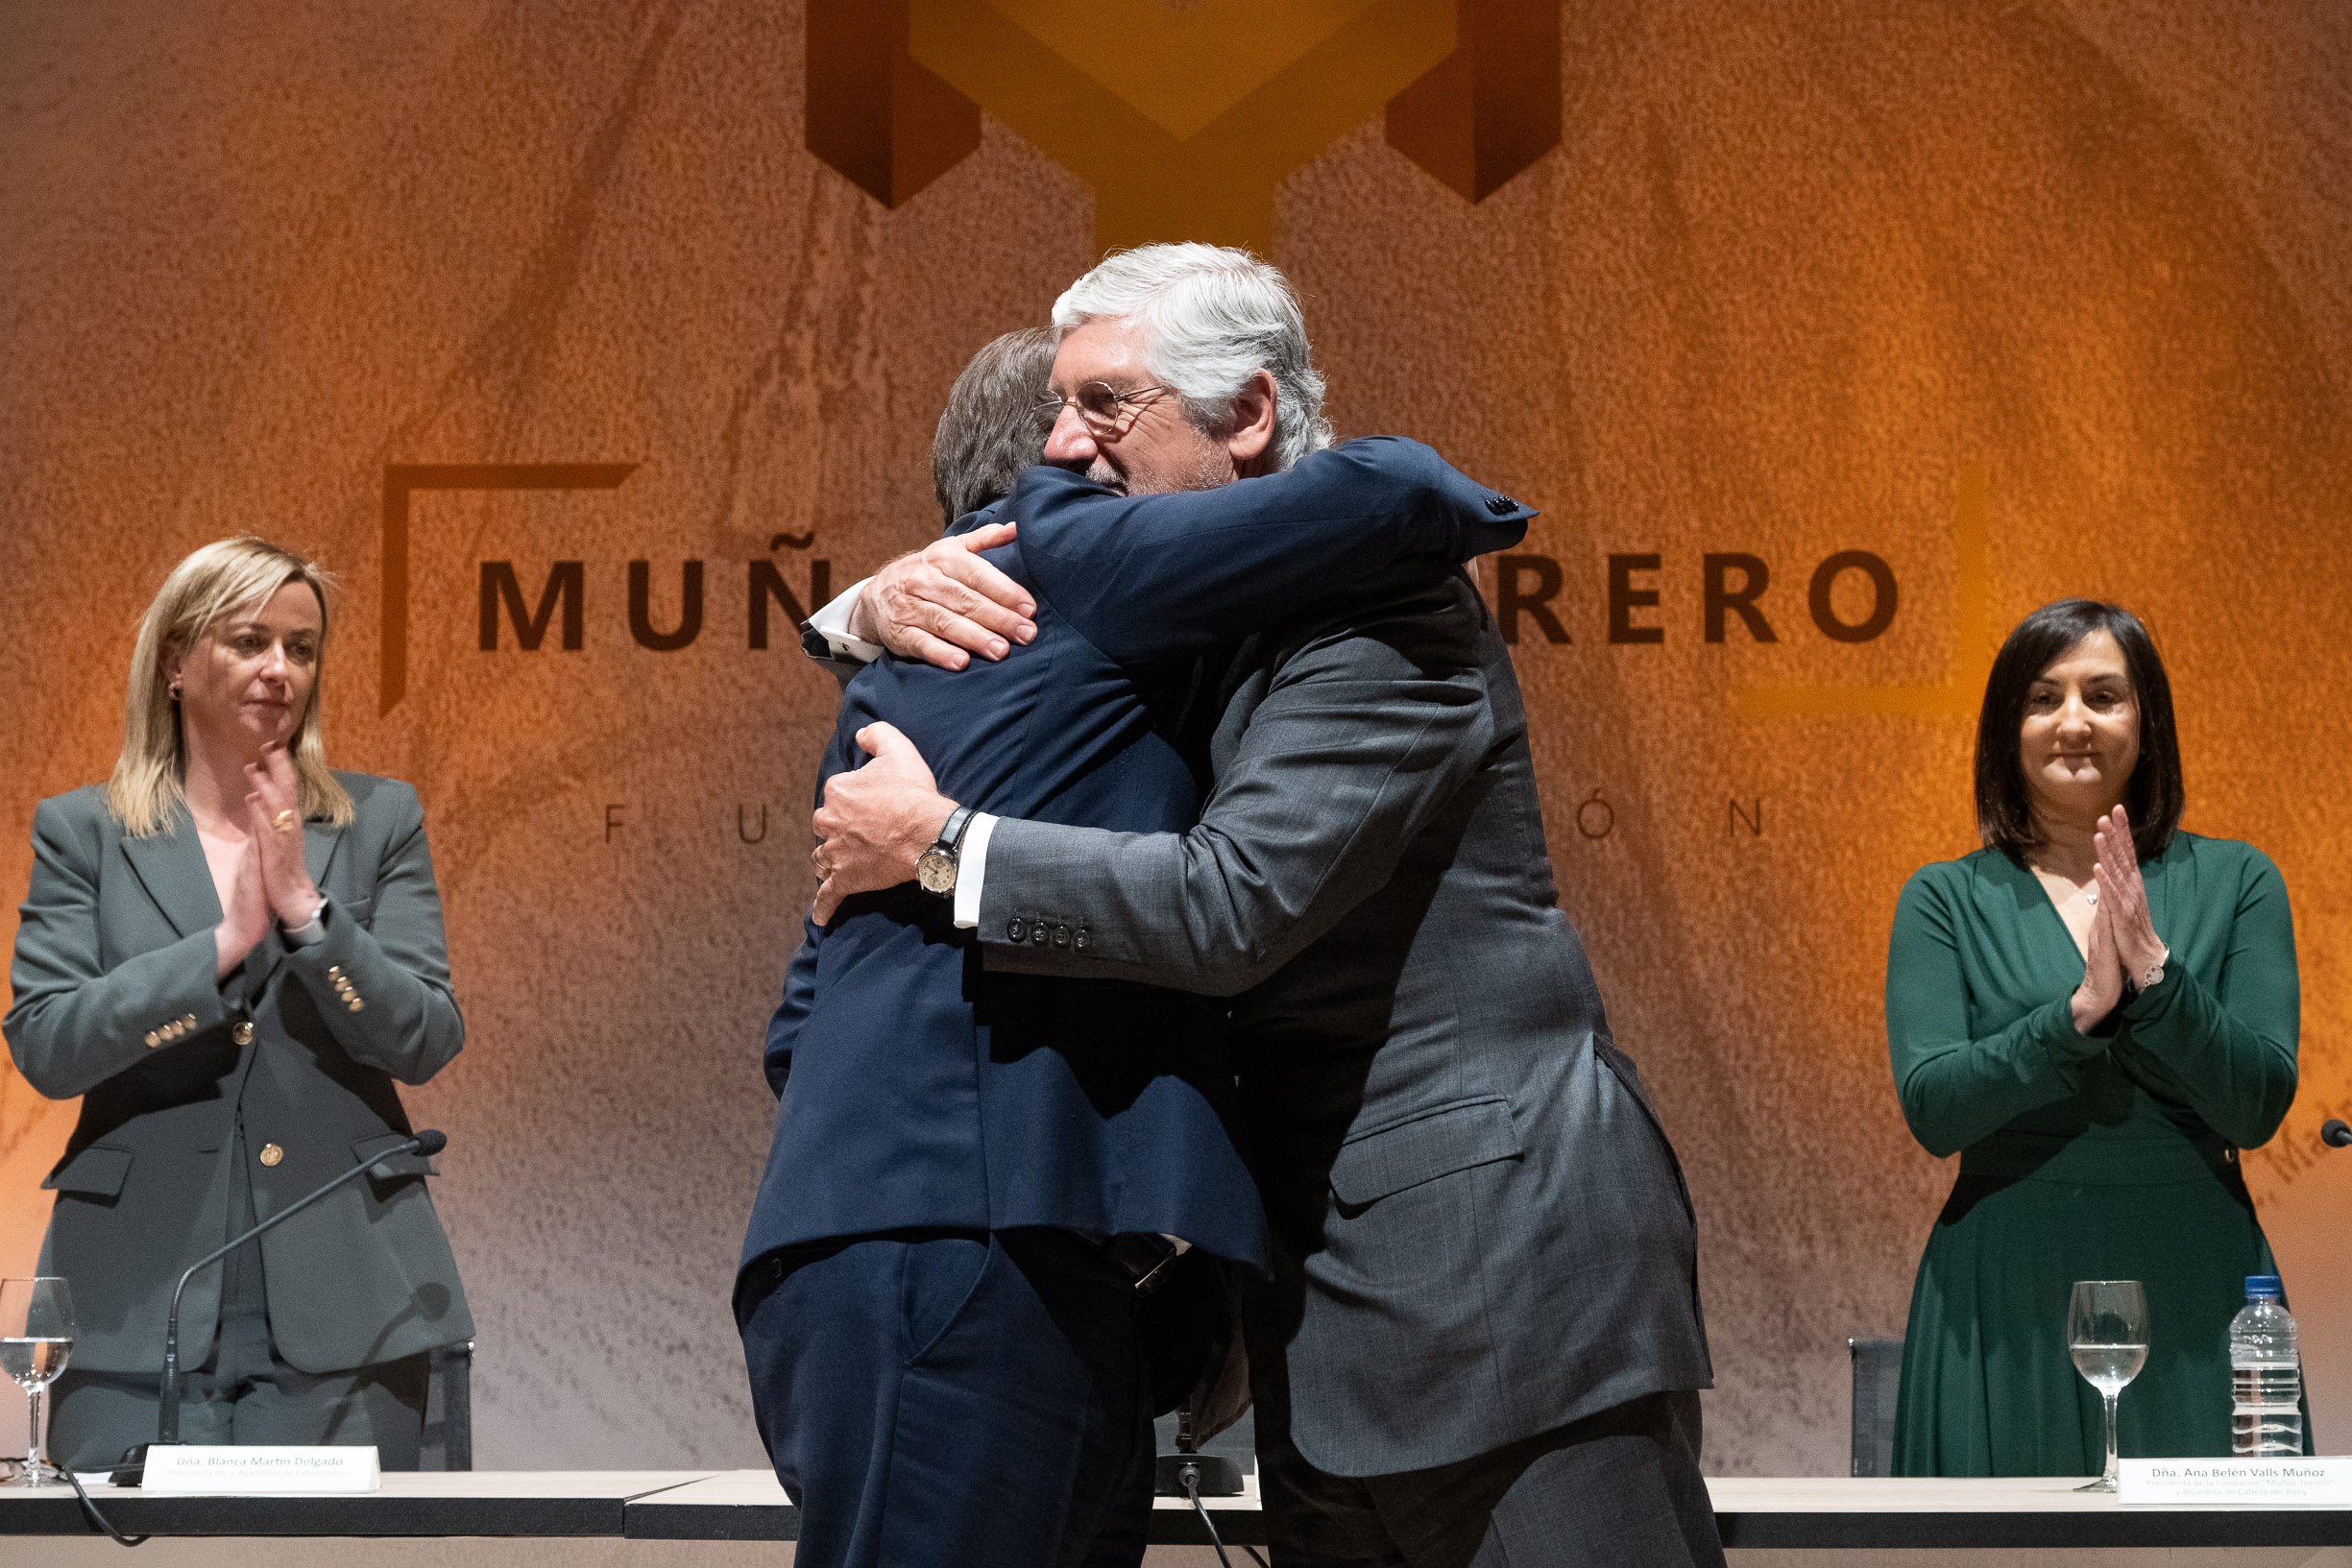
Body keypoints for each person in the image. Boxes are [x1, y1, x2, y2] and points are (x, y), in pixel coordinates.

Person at [809, 244, 1723, 1568]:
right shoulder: (1197, 623)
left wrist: (945, 847)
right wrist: (861, 605)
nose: (1061, 448)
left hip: (1503, 1296)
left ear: (1243, 416)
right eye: (1059, 407)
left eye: (1106, 406)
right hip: (1321, 1318)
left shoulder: (1383, 613)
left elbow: (1232, 903)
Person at [740, 310, 1529, 1568]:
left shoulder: (932, 667)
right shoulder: (1066, 553)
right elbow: (1401, 491)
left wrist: (848, 610)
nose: (1083, 441)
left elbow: (796, 1027)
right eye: (1077, 422)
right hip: (960, 1255)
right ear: (1054, 487)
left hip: (976, 1257)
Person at [5, 538, 472, 1471]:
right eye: (249, 640)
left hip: (349, 1295)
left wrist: (306, 912)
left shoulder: (378, 819)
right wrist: (220, 951)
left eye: (301, 648)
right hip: (132, 1298)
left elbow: (424, 1035)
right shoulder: (84, 831)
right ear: (175, 662)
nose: (279, 668)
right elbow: (47, 1043)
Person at [1884, 598, 2304, 1475]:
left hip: (2194, 1269)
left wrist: (2153, 972)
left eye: (2102, 695)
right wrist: (2074, 1016)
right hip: (2001, 1286)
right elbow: (1933, 1109)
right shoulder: (1942, 897)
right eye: (2042, 698)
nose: (2072, 721)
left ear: (2145, 721)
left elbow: (2256, 1103)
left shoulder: (2238, 878)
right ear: (2008, 728)